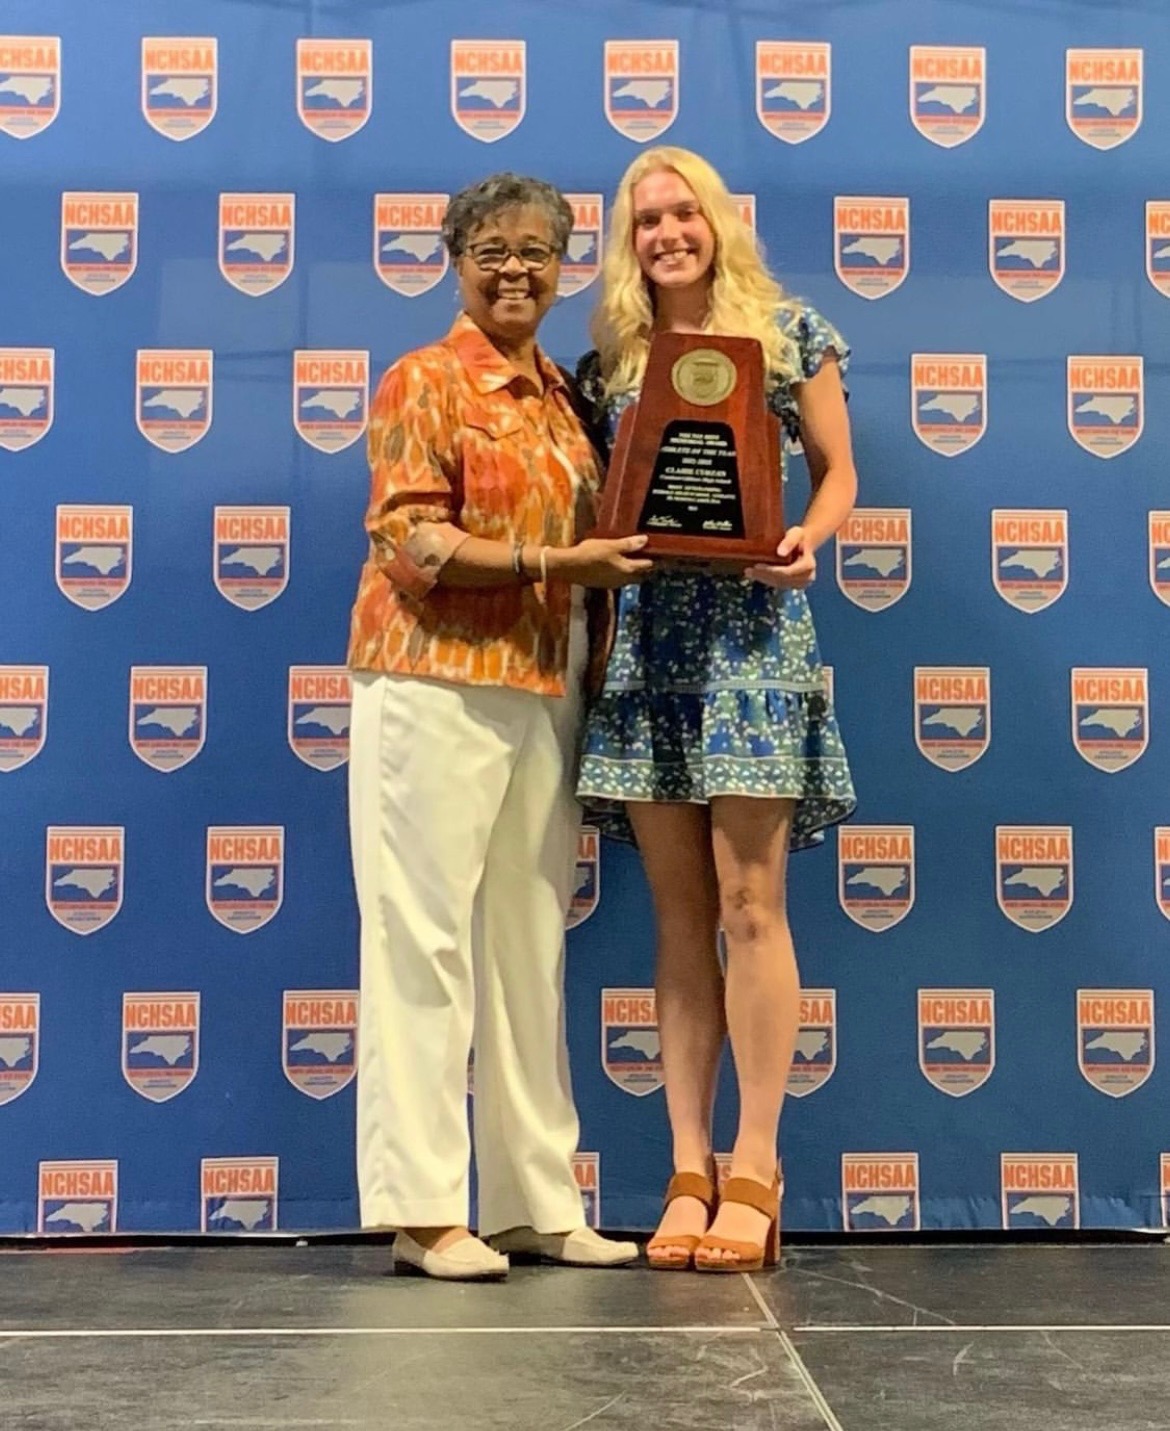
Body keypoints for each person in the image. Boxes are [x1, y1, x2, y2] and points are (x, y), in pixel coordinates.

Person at [347, 172, 649, 1280]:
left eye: (537, 251)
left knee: (529, 939)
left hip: (544, 678)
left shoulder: (565, 393)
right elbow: (412, 544)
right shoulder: (424, 378)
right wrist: (552, 561)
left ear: (564, 268)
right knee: (421, 937)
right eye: (493, 250)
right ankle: (423, 1208)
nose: (516, 269)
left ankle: (534, 1200)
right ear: (456, 261)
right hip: (431, 676)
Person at [575, 147, 858, 1272]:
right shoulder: (609, 362)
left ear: (719, 222)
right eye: (646, 220)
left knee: (752, 905)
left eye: (683, 212)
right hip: (649, 647)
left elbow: (838, 473)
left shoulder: (791, 335)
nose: (667, 234)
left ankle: (756, 1163)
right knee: (679, 916)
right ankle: (686, 1168)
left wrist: (807, 542)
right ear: (628, 239)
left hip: (753, 639)